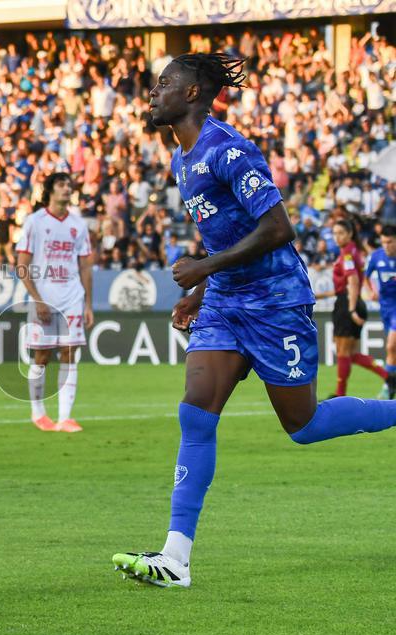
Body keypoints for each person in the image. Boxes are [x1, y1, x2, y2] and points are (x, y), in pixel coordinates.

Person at [112, 53, 396, 588]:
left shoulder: (229, 150)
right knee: (197, 410)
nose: (153, 92)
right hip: (225, 301)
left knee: (303, 425)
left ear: (193, 93)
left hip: (276, 302)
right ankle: (176, 557)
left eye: (164, 83)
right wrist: (201, 289)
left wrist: (202, 269)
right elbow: (225, 234)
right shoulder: (182, 158)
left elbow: (277, 228)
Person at [16, 172, 94, 432]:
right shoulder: (34, 222)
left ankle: (65, 417)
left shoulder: (78, 224)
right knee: (41, 355)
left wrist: (88, 304)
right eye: (61, 185)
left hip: (72, 296)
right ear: (50, 190)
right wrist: (37, 300)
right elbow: (22, 265)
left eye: (69, 185)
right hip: (45, 298)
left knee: (69, 353)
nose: (66, 189)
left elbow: (85, 266)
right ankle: (38, 413)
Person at [314, 218, 390, 396]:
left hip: (348, 303)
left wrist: (351, 309)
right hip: (349, 300)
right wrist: (323, 295)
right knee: (349, 353)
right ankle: (388, 377)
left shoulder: (347, 253)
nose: (337, 237)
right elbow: (348, 284)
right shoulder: (352, 251)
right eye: (335, 233)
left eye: (341, 233)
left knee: (342, 351)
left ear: (350, 234)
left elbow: (353, 281)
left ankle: (341, 393)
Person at [365, 224, 396, 398]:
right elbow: (366, 277)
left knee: (391, 345)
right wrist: (371, 291)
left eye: (390, 242)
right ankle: (391, 386)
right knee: (393, 350)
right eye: (384, 242)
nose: (386, 245)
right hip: (385, 307)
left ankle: (388, 387)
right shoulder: (376, 257)